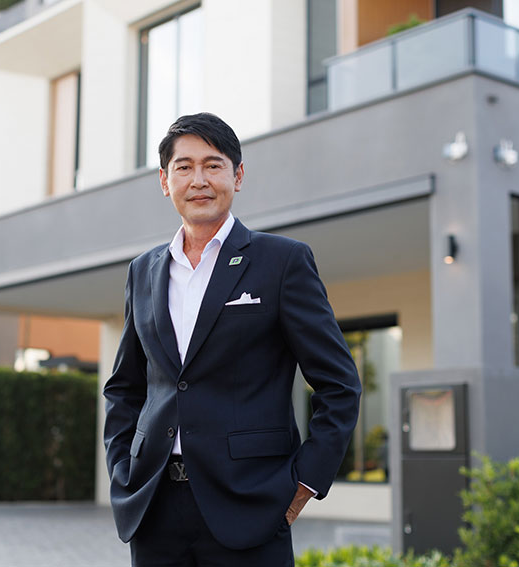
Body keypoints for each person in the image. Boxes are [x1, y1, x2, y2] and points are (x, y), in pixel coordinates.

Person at [104, 112, 361, 567]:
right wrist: (123, 470)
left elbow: (339, 385)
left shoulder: (282, 262)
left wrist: (306, 482)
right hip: (154, 506)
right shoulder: (143, 271)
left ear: (237, 176)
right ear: (165, 181)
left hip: (250, 506)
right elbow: (125, 387)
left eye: (213, 165)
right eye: (184, 167)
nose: (199, 180)